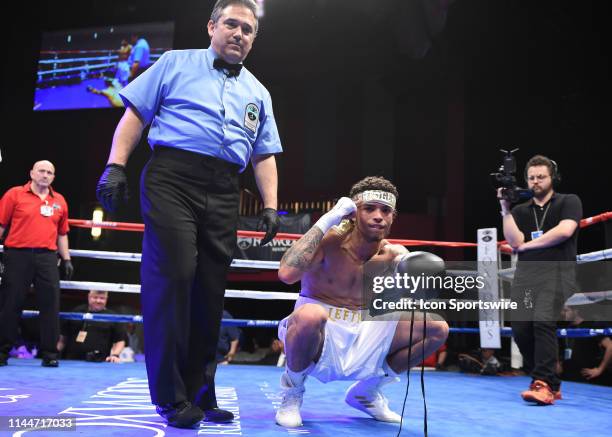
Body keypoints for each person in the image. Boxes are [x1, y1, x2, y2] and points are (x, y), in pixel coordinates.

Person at [95, 0, 282, 428]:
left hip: (223, 188)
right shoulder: (175, 63)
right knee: (175, 275)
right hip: (172, 177)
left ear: (254, 39)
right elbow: (134, 115)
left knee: (210, 290)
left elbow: (264, 154)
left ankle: (201, 391)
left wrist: (271, 206)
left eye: (248, 29)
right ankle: (170, 396)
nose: (239, 33)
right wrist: (115, 166)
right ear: (212, 26)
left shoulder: (258, 91)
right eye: (231, 24)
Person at [275, 176, 449, 427]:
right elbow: (286, 274)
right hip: (320, 328)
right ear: (353, 213)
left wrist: (416, 272)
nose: (378, 215)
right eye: (369, 208)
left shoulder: (393, 254)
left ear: (392, 217)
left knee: (436, 328)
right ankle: (292, 393)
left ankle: (366, 392)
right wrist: (328, 219)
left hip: (365, 331)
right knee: (310, 315)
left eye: (386, 210)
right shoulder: (328, 243)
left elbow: (408, 272)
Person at [499, 154, 582, 405]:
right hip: (527, 278)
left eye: (541, 177)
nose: (536, 181)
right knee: (521, 329)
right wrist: (504, 208)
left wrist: (527, 246)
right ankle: (549, 381)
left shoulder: (569, 201)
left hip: (558, 274)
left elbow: (564, 231)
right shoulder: (522, 210)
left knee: (543, 319)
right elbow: (514, 241)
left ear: (552, 177)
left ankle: (543, 383)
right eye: (531, 178)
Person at [0, 160, 73, 368]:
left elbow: (62, 234)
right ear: (32, 173)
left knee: (50, 306)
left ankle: (50, 353)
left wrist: (66, 258)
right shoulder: (14, 194)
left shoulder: (59, 200)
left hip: (47, 257)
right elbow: (1, 225)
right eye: (41, 171)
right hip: (17, 255)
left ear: (53, 177)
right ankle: (1, 351)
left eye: (50, 172)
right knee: (10, 304)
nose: (45, 175)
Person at [57, 290, 127, 363]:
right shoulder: (76, 312)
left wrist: (115, 355)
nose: (98, 301)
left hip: (100, 362)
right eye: (95, 297)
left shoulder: (112, 317)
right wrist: (54, 353)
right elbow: (62, 338)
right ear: (89, 297)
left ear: (106, 299)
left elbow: (120, 341)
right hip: (72, 361)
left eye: (102, 298)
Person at [559, 306, 612, 386]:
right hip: (569, 375)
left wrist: (600, 369)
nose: (562, 313)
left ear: (575, 311)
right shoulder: (565, 328)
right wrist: (559, 363)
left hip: (587, 377)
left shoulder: (592, 325)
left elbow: (610, 346)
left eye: (566, 310)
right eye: (562, 310)